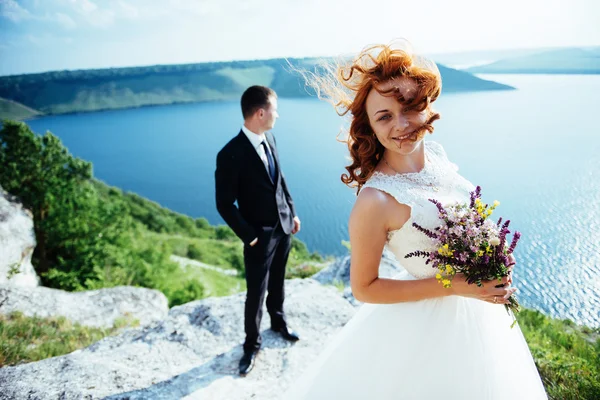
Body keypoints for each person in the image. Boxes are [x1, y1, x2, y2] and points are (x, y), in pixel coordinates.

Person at [285, 41, 547, 399]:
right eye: (385, 116)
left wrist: (492, 259)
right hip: (424, 331)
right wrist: (453, 286)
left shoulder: (437, 157)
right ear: (370, 127)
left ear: (426, 106)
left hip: (482, 319)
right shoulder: (374, 200)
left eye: (409, 107)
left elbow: (462, 221)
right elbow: (364, 288)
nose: (402, 125)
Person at [215, 85, 301, 376]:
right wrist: (250, 236)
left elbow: (280, 178)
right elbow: (224, 204)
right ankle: (251, 345)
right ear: (260, 112)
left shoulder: (270, 138)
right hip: (258, 238)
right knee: (256, 292)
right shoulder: (230, 154)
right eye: (275, 109)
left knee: (278, 281)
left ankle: (278, 322)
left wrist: (291, 211)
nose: (278, 114)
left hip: (283, 228)